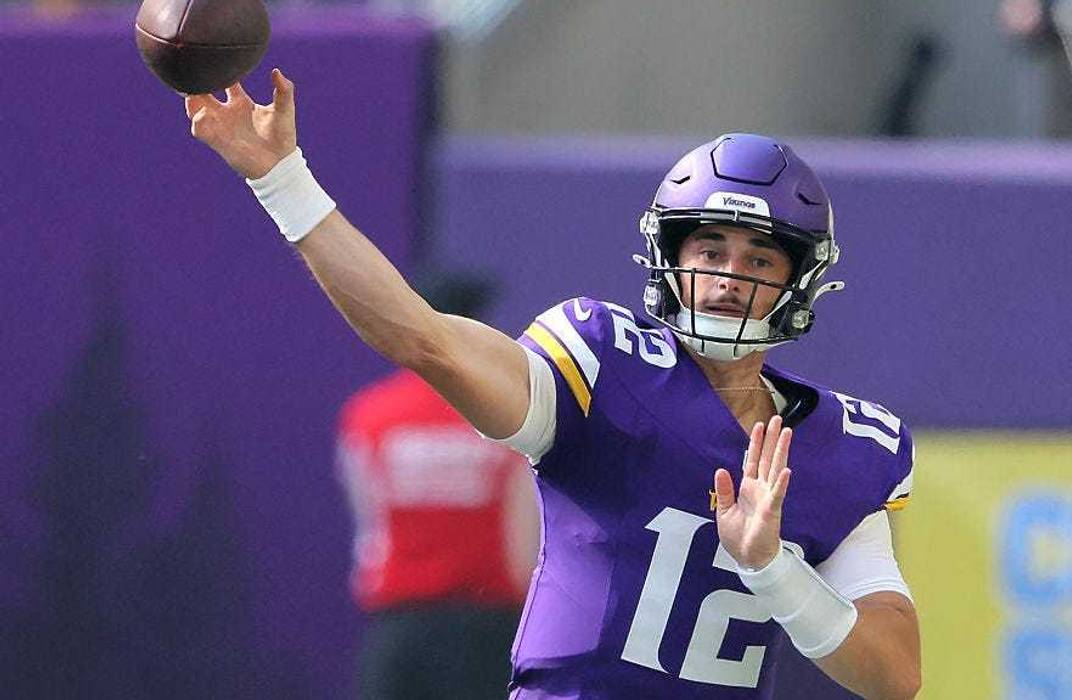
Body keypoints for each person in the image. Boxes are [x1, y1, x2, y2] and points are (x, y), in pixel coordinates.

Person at [184, 70, 921, 699]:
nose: (728, 278)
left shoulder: (840, 448)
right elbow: (423, 338)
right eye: (709, 247)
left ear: (799, 281)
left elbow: (895, 675)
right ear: (669, 254)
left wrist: (772, 568)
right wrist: (281, 179)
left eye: (759, 259)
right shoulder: (601, 364)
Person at [336, 275, 540, 699]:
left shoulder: (369, 415)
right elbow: (528, 534)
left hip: (401, 625)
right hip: (488, 627)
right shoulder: (504, 414)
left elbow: (368, 523)